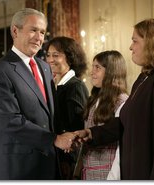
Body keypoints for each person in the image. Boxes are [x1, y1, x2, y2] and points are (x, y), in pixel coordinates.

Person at [75, 18, 154, 180]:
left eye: (135, 41)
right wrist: (91, 133)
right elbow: (126, 122)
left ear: (152, 43)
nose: (131, 47)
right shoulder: (145, 77)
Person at [0, 8, 76, 180]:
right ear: (15, 31)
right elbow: (9, 120)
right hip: (18, 167)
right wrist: (54, 139)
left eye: (42, 32)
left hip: (48, 162)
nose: (39, 37)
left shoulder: (45, 67)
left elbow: (48, 115)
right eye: (33, 30)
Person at [45, 36, 89, 179]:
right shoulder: (56, 86)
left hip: (69, 161)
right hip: (57, 156)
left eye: (56, 55)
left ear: (70, 58)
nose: (50, 59)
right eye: (48, 55)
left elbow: (78, 126)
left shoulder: (75, 86)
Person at [81, 50, 128, 180]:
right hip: (90, 171)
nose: (92, 72)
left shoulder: (122, 101)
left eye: (98, 67)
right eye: (92, 67)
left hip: (108, 173)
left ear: (112, 72)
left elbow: (122, 145)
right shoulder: (94, 99)